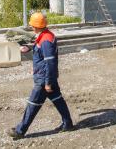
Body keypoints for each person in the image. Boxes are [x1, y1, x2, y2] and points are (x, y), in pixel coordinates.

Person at [7, 12, 74, 140]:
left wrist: (48, 82)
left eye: (32, 25)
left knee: (33, 104)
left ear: (36, 26)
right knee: (58, 100)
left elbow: (50, 62)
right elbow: (42, 55)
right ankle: (68, 124)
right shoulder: (45, 35)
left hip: (44, 79)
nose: (31, 27)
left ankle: (20, 131)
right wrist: (30, 48)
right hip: (46, 76)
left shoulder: (46, 40)